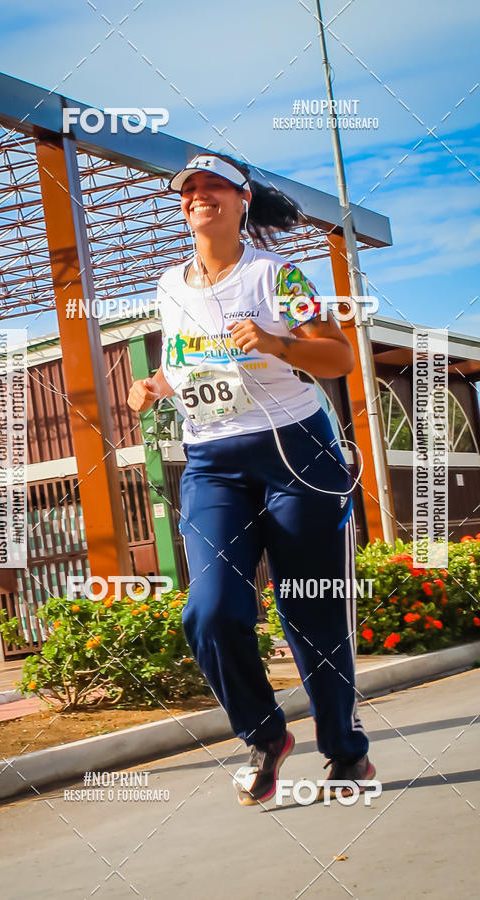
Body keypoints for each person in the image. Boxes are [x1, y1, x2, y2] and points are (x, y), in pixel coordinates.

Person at [127, 152, 376, 806]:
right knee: (209, 611)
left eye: (214, 187)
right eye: (189, 190)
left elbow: (339, 357)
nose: (198, 196)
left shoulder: (278, 275)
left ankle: (345, 752)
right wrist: (155, 385)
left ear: (242, 201)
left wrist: (275, 343)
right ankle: (265, 735)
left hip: (294, 455)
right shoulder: (168, 285)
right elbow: (186, 362)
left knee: (309, 610)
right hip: (212, 461)